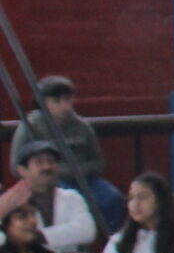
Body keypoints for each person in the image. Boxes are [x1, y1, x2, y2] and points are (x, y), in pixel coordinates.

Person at [19, 75, 122, 229]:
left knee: (112, 197)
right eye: (57, 101)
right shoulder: (30, 126)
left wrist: (79, 170)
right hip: (50, 181)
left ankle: (114, 238)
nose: (65, 106)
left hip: (86, 179)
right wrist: (54, 171)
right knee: (69, 203)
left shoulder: (82, 126)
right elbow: (15, 164)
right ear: (43, 102)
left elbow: (99, 161)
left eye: (68, 99)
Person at [11, 136, 95, 253]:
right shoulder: (11, 204)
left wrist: (39, 236)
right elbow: (15, 244)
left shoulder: (72, 197)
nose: (47, 167)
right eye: (39, 162)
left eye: (51, 161)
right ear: (22, 170)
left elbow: (87, 230)